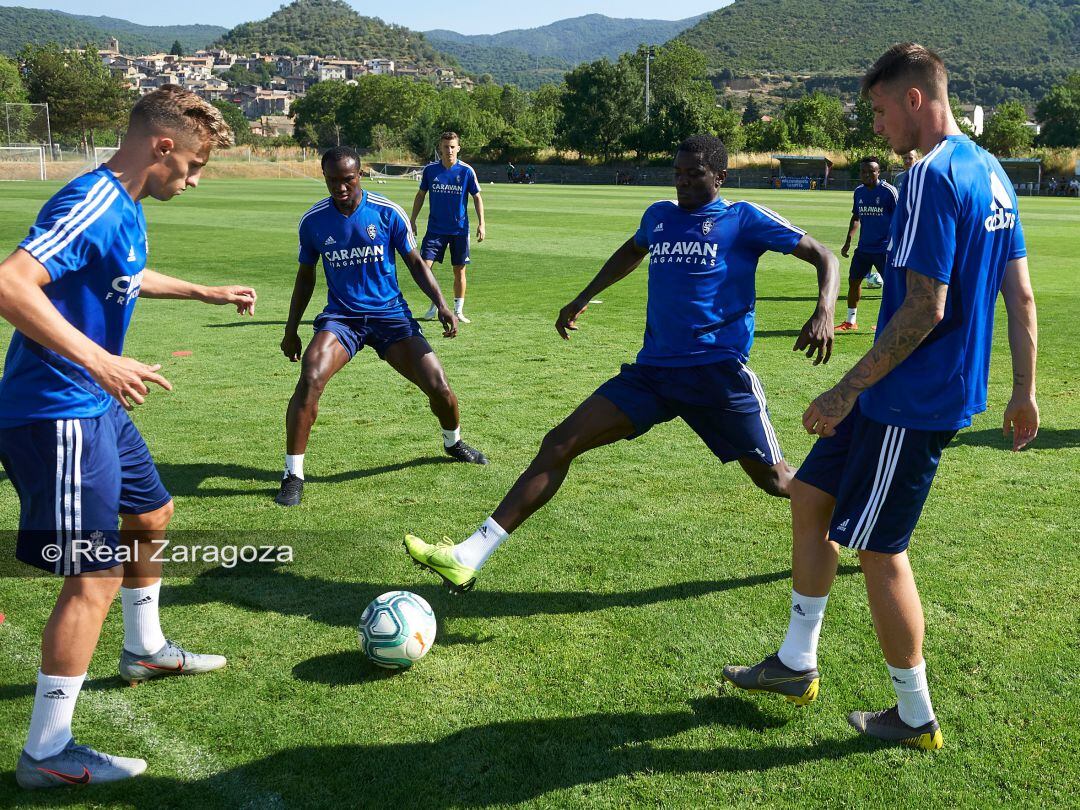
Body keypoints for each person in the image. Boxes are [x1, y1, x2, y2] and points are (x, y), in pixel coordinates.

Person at [723, 43, 1038, 751]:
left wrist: (841, 390)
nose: (878, 127)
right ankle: (796, 662)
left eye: (879, 110)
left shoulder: (930, 176)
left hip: (909, 399)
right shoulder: (993, 173)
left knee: (880, 551)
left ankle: (915, 715)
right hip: (906, 396)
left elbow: (925, 309)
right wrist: (1023, 390)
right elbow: (1019, 294)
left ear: (915, 101)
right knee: (810, 493)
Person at [404, 134, 839, 593]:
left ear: (720, 176)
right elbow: (632, 250)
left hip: (717, 375)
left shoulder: (743, 218)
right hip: (652, 374)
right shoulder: (659, 216)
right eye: (678, 173)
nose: (684, 183)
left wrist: (825, 310)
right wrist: (583, 297)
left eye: (695, 174)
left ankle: (863, 523)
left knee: (778, 480)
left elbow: (823, 256)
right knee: (559, 443)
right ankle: (469, 555)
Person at [0, 85, 257, 789]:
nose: (195, 181)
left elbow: (124, 274)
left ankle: (144, 650)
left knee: (153, 514)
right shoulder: (91, 198)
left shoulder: (128, 209)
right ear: (162, 147)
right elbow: (10, 284)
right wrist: (100, 358)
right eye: (195, 166)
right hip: (56, 410)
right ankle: (46, 754)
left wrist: (205, 292)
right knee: (93, 573)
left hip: (94, 403)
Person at [276, 146, 487, 507]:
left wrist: (441, 305)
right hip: (342, 318)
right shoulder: (313, 221)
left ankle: (453, 443)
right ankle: (293, 474)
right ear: (325, 177)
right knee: (311, 377)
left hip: (391, 317)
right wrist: (291, 329)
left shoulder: (387, 212)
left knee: (440, 388)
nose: (341, 188)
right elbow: (305, 277)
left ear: (359, 175)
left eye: (347, 179)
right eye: (332, 181)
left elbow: (416, 263)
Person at [410, 132, 485, 324]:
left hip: (459, 230)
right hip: (435, 229)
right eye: (446, 146)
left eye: (452, 146)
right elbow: (420, 195)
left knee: (459, 270)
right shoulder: (430, 170)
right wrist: (412, 219)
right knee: (424, 268)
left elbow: (477, 197)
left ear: (458, 148)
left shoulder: (466, 171)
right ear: (440, 148)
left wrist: (481, 223)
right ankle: (436, 302)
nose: (449, 150)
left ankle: (458, 310)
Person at [837, 156, 897, 331]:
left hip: (884, 249)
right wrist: (848, 241)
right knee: (854, 282)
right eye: (863, 171)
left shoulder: (889, 192)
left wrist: (895, 245)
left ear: (879, 172)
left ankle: (888, 322)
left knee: (891, 287)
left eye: (871, 171)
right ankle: (850, 321)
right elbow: (856, 217)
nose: (867, 174)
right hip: (864, 248)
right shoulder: (859, 192)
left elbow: (901, 219)